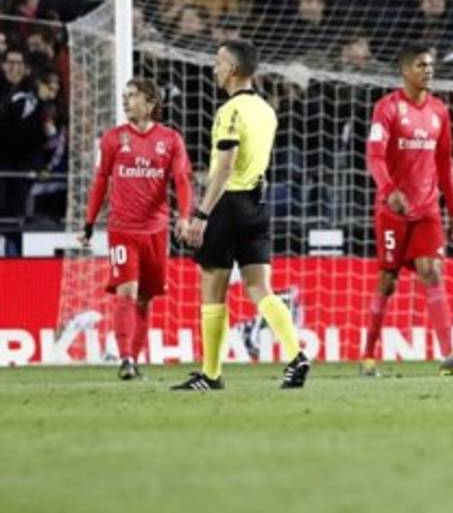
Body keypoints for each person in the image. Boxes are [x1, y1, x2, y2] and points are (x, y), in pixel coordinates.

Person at [172, 40, 309, 391]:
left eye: (219, 62)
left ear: (233, 69)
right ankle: (296, 355)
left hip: (228, 204)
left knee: (212, 288)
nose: (215, 68)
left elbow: (225, 166)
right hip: (258, 205)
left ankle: (211, 374)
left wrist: (201, 215)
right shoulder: (266, 110)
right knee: (258, 286)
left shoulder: (230, 111)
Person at [360, 42, 453, 377]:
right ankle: (367, 358)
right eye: (422, 65)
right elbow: (374, 156)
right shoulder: (388, 108)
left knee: (432, 272)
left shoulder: (439, 110)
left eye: (431, 65)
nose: (429, 70)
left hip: (428, 210)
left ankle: (449, 353)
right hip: (393, 212)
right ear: (406, 70)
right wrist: (389, 190)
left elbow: (445, 162)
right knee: (387, 281)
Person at [80, 79, 193, 380]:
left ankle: (135, 358)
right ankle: (126, 359)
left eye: (133, 96)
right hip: (122, 229)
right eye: (124, 96)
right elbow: (100, 182)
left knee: (144, 297)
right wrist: (89, 224)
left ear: (151, 102)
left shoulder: (170, 140)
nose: (126, 102)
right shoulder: (113, 139)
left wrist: (184, 217)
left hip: (156, 231)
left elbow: (181, 180)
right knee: (126, 292)